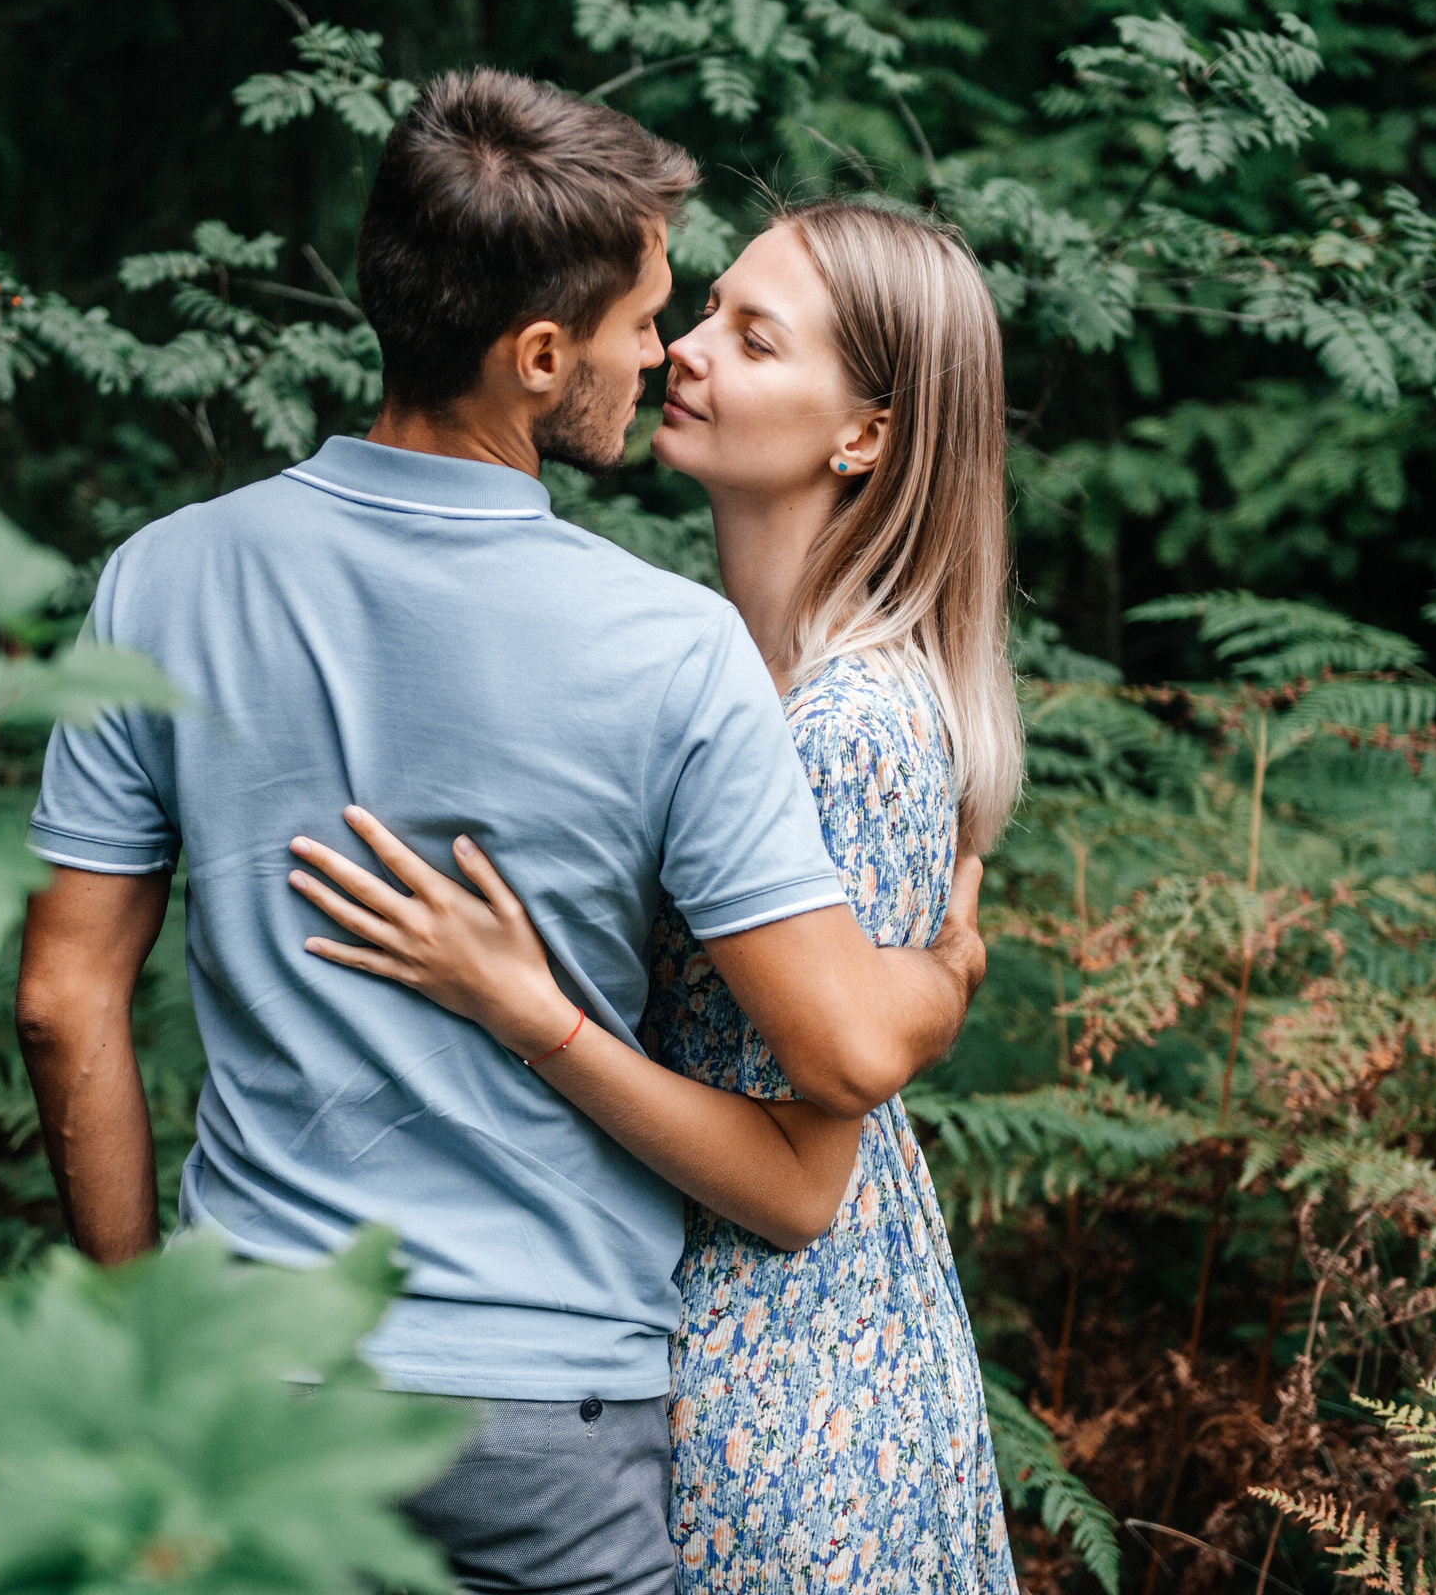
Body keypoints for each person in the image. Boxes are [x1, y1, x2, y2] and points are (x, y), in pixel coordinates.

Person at [10, 68, 986, 1595]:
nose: (661, 354)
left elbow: (63, 1001)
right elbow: (847, 1060)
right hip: (546, 1422)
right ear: (539, 356)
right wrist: (942, 973)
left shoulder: (161, 581)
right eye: (644, 319)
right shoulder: (670, 649)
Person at [283, 199, 1025, 1591]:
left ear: (864, 433)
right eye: (703, 313)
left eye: (754, 337)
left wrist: (528, 1010)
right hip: (660, 1316)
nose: (684, 350)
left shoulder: (845, 729)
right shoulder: (723, 665)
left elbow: (805, 1177)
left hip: (776, 1368)